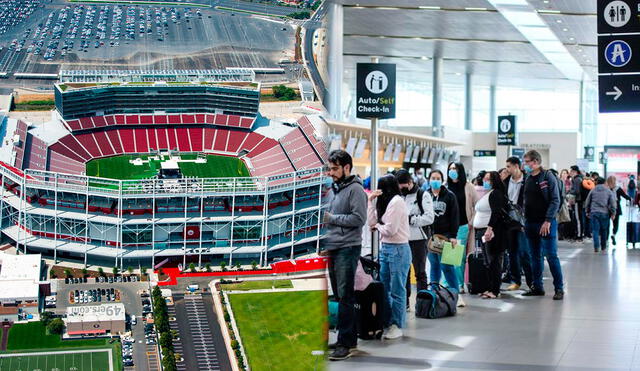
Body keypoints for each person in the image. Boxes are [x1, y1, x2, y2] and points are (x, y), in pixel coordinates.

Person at [323, 150, 368, 361]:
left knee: (346, 297)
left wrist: (332, 218)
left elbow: (359, 219)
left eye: (334, 168)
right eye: (329, 168)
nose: (331, 172)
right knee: (340, 296)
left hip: (348, 248)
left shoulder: (356, 190)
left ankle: (347, 343)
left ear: (347, 167)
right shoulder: (334, 189)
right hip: (334, 247)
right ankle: (345, 338)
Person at [367, 174, 411, 340]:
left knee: (397, 289)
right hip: (386, 248)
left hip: (399, 249)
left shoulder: (397, 202)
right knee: (384, 287)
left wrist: (378, 226)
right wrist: (370, 201)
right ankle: (388, 321)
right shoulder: (384, 202)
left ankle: (397, 325)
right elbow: (371, 222)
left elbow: (390, 230)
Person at [522, 150, 564, 300]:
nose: (525, 165)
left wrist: (547, 220)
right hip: (530, 222)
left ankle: (559, 288)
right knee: (535, 257)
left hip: (546, 223)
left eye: (527, 162)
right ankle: (537, 286)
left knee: (551, 255)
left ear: (535, 162)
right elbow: (525, 201)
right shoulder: (527, 178)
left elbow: (555, 200)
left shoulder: (548, 176)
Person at [395, 170, 435, 310]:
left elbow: (430, 217)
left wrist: (411, 220)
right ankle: (404, 302)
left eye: (403, 186)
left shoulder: (423, 195)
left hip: (419, 239)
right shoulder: (400, 196)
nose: (401, 189)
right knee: (403, 273)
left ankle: (422, 303)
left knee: (420, 272)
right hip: (403, 239)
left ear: (410, 182)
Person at [472, 171, 508, 299]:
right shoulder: (488, 193)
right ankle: (490, 287)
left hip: (492, 233)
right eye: (485, 179)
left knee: (494, 261)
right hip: (483, 231)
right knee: (488, 261)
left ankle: (495, 290)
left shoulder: (496, 194)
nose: (485, 181)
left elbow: (496, 213)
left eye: (488, 179)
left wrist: (489, 229)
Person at [446, 162, 478, 297]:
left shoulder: (469, 186)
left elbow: (477, 206)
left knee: (457, 255)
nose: (452, 171)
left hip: (463, 225)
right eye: (450, 168)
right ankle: (451, 283)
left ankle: (458, 284)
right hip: (448, 227)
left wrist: (471, 222)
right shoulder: (445, 187)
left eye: (455, 168)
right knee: (450, 256)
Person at [427, 170, 460, 294]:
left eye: (438, 178)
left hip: (445, 235)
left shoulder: (449, 195)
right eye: (433, 178)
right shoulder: (426, 195)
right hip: (431, 236)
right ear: (429, 179)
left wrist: (453, 236)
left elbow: (455, 216)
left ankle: (455, 293)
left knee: (447, 266)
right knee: (434, 265)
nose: (435, 180)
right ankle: (434, 292)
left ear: (442, 180)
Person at [503, 157, 533, 291]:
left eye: (509, 166)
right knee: (512, 252)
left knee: (524, 252)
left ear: (517, 166)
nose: (507, 169)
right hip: (509, 221)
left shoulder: (528, 180)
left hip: (523, 221)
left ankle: (531, 281)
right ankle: (516, 280)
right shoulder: (505, 182)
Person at [586, 177, 617, 253]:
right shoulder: (608, 191)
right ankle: (603, 247)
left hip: (594, 212)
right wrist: (613, 213)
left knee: (595, 230)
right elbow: (613, 203)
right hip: (604, 213)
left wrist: (587, 211)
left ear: (596, 183)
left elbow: (588, 201)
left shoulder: (593, 190)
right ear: (604, 182)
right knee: (604, 230)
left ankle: (596, 247)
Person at [607, 176, 631, 246]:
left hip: (607, 207)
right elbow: (625, 196)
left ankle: (605, 240)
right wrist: (631, 199)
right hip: (616, 207)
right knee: (616, 224)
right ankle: (613, 235)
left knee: (606, 224)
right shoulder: (618, 189)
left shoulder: (606, 189)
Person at [569, 166, 586, 241]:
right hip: (580, 201)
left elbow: (577, 191)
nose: (570, 172)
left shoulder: (577, 179)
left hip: (578, 201)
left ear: (575, 171)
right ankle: (579, 234)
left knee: (578, 218)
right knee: (579, 218)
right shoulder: (580, 178)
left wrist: (569, 191)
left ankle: (579, 235)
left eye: (571, 171)